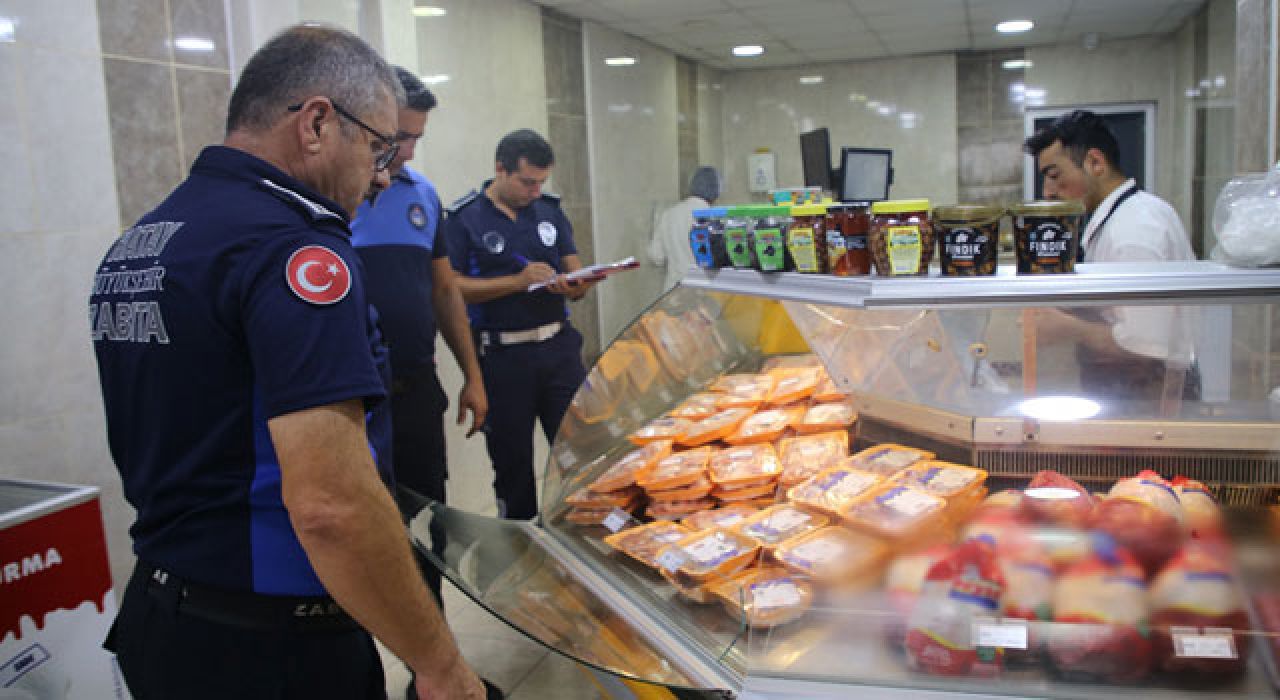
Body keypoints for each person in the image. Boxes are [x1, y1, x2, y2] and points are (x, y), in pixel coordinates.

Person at [89, 25, 484, 700]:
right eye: (378, 145)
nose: (384, 172)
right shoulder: (295, 253)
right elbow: (332, 505)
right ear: (317, 124)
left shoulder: (142, 242)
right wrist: (441, 665)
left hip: (162, 619)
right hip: (269, 651)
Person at [351, 66, 486, 606]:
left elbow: (445, 292)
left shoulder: (423, 196)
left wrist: (473, 377)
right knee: (366, 533)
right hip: (355, 403)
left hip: (416, 392)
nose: (405, 152)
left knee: (427, 524)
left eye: (413, 139)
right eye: (397, 137)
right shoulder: (334, 200)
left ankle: (429, 675)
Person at [442, 129, 600, 520]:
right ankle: (521, 553)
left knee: (579, 455)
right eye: (527, 182)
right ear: (500, 169)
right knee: (512, 465)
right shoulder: (465, 219)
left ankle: (581, 539)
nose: (534, 191)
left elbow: (574, 271)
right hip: (502, 358)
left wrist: (576, 284)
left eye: (541, 183)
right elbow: (451, 287)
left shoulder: (549, 211)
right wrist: (517, 282)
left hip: (559, 350)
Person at [1023, 110, 1198, 405]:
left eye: (1055, 176)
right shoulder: (1116, 219)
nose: (1048, 193)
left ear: (1095, 162)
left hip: (1151, 398)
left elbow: (1147, 348)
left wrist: (1067, 328)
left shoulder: (1136, 230)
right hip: (1127, 392)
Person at [648, 165, 722, 291]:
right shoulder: (713, 217)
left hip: (673, 292)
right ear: (715, 191)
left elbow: (656, 256)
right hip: (703, 291)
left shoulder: (669, 214)